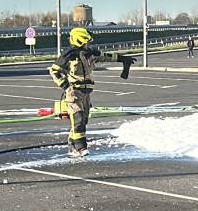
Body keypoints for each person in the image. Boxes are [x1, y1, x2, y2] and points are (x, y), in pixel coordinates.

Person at [49, 27, 135, 157]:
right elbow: (54, 71)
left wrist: (123, 59)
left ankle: (72, 146)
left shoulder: (89, 54)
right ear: (80, 40)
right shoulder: (68, 56)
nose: (88, 44)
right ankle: (81, 147)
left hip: (86, 93)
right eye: (86, 42)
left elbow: (106, 57)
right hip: (74, 93)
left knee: (83, 120)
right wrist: (66, 87)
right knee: (77, 118)